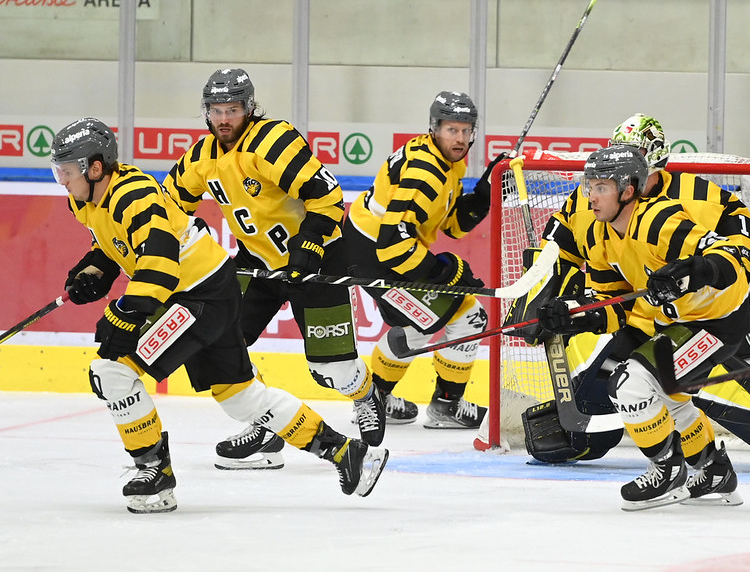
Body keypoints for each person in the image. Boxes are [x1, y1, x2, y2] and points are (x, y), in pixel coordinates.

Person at [52, 117, 388, 513]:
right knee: (241, 398)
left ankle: (154, 472)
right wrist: (93, 272)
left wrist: (126, 313)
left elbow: (159, 265)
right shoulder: (87, 199)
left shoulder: (133, 195)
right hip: (211, 288)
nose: (62, 180)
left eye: (67, 171)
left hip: (197, 297)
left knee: (112, 371)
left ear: (94, 168)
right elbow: (117, 244)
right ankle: (348, 454)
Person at [514, 113, 750, 474]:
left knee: (682, 373)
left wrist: (702, 272)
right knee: (591, 407)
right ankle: (690, 455)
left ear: (656, 162)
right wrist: (544, 305)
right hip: (644, 318)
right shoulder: (594, 203)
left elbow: (736, 249)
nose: (623, 171)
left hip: (698, 317)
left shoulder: (691, 201)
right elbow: (560, 251)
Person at [161, 68, 386, 469]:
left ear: (249, 108)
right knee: (219, 346)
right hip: (256, 264)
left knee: (330, 369)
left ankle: (364, 394)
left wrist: (310, 243)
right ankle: (266, 426)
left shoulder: (272, 141)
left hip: (316, 261)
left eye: (233, 108)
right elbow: (168, 207)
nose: (224, 118)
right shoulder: (200, 157)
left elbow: (329, 196)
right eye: (216, 110)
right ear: (206, 113)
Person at [538, 145, 745, 510]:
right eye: (589, 186)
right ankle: (714, 471)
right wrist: (576, 317)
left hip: (718, 322)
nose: (590, 196)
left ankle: (667, 470)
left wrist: (691, 270)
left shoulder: (659, 220)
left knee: (628, 384)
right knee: (670, 401)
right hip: (678, 321)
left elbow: (729, 257)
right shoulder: (601, 237)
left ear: (628, 190)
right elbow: (620, 306)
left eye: (601, 187)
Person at [341, 91, 503, 429]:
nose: (459, 139)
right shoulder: (425, 172)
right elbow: (392, 246)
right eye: (451, 130)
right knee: (465, 317)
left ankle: (379, 399)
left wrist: (482, 197)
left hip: (376, 243)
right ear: (435, 129)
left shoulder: (447, 161)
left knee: (420, 322)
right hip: (373, 251)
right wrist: (442, 272)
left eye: (465, 131)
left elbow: (449, 225)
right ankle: (440, 406)